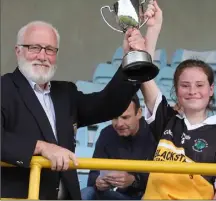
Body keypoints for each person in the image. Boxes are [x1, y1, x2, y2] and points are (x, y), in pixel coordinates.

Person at [1, 21, 148, 199]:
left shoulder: (65, 93)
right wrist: (40, 147)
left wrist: (130, 58)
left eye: (50, 49)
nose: (42, 56)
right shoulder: (4, 88)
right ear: (18, 51)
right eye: (34, 47)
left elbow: (108, 105)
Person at [134, 1, 216, 199]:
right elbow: (144, 76)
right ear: (176, 90)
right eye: (185, 85)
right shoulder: (167, 119)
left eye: (200, 85)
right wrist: (154, 29)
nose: (192, 91)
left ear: (211, 89)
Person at [80, 94, 157, 200]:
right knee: (87, 192)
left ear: (139, 113)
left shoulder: (154, 132)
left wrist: (133, 180)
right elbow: (93, 175)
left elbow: (161, 178)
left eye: (125, 117)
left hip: (146, 196)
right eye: (115, 117)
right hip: (116, 196)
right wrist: (99, 183)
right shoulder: (106, 134)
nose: (119, 123)